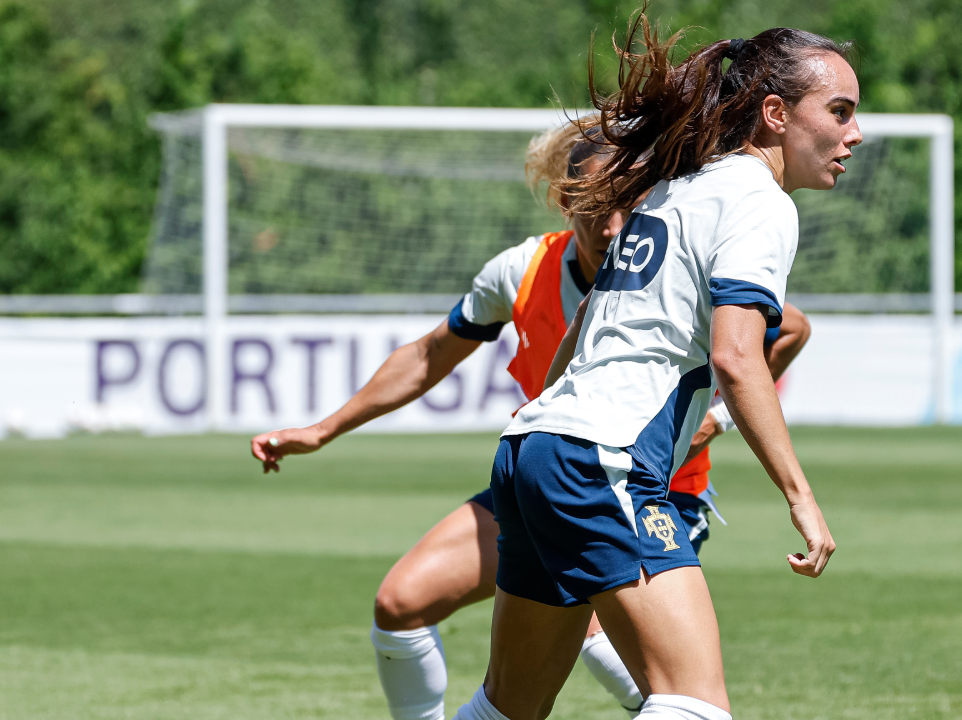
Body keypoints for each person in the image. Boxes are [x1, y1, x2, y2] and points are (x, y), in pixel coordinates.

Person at [250, 118, 812, 719]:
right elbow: (428, 354)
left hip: (653, 488)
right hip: (550, 475)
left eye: (629, 201)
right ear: (566, 201)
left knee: (646, 677)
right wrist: (323, 428)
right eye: (597, 205)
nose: (614, 224)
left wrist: (717, 420)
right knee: (401, 605)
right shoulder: (523, 270)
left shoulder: (679, 258)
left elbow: (781, 334)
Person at [446, 18, 862, 720]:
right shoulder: (760, 201)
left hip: (534, 451)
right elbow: (736, 356)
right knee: (695, 707)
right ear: (775, 113)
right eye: (840, 112)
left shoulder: (678, 187)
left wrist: (549, 420)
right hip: (600, 460)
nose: (854, 134)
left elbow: (584, 324)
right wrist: (799, 494)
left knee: (510, 707)